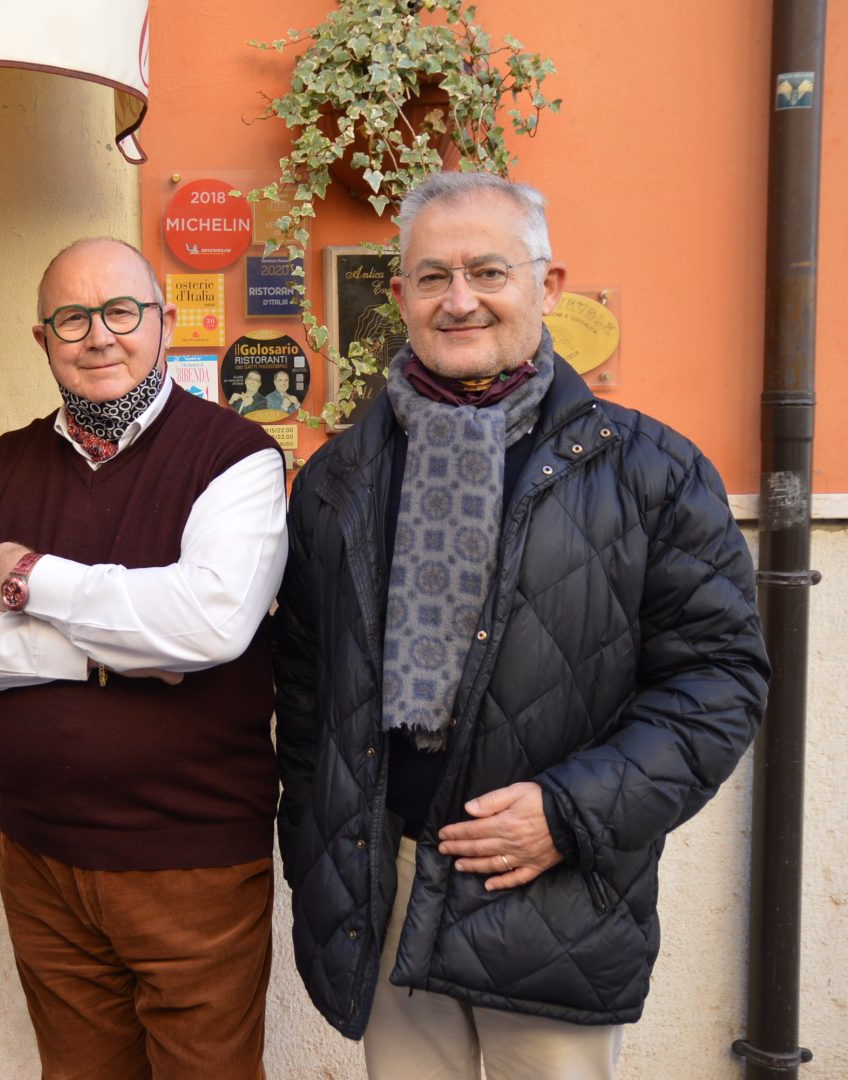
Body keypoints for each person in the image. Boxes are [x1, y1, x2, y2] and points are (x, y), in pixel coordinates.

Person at [272, 171, 769, 1079]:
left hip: (555, 898)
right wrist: (319, 860)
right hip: (387, 888)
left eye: (489, 271)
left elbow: (719, 683)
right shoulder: (338, 480)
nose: (459, 300)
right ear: (400, 297)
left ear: (548, 285)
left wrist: (569, 814)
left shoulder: (650, 471)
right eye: (432, 277)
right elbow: (305, 695)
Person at [0, 237, 287, 1079]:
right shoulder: (4, 465)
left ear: (164, 322)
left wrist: (30, 576)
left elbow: (209, 624)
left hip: (191, 861)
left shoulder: (236, 455)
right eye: (73, 319)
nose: (100, 336)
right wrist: (103, 657)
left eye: (121, 312)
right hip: (39, 854)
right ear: (43, 340)